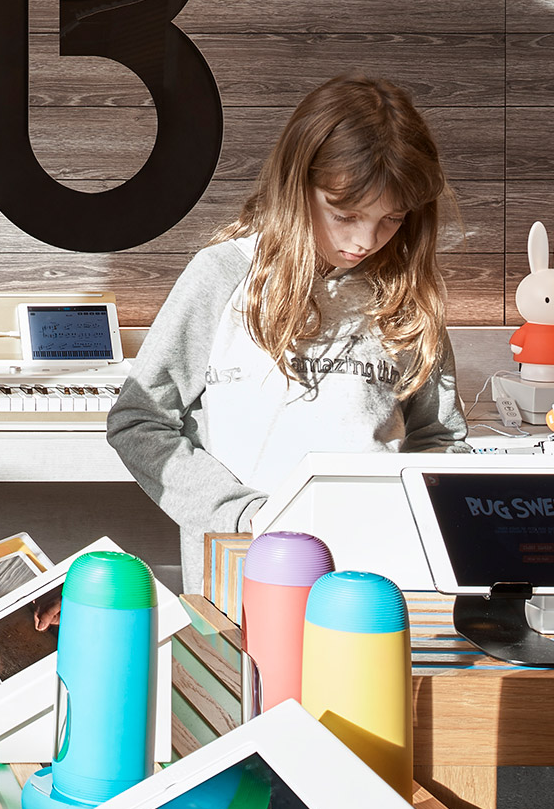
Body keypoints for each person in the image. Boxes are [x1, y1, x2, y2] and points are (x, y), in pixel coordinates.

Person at [107, 76, 467, 591]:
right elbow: (139, 421)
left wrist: (404, 513)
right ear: (296, 185)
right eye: (344, 214)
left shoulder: (405, 298)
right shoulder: (223, 276)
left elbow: (441, 438)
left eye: (391, 219)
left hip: (377, 580)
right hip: (242, 576)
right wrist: (242, 514)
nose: (364, 240)